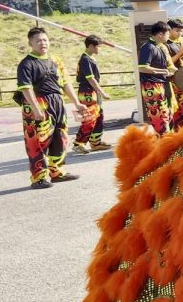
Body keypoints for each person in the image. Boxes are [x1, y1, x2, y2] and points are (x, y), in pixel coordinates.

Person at [14, 27, 88, 188]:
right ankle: (39, 177)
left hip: (57, 102)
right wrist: (35, 108)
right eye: (38, 40)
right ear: (31, 43)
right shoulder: (27, 64)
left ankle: (57, 172)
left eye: (45, 40)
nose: (43, 43)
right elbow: (26, 88)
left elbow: (66, 83)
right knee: (37, 141)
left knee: (60, 137)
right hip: (37, 103)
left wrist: (76, 102)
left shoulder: (56, 60)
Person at [74, 34, 113, 154]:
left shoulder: (89, 58)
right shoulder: (85, 59)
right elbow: (91, 79)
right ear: (91, 46)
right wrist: (102, 92)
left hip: (92, 92)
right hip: (87, 92)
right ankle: (78, 143)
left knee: (99, 116)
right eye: (97, 47)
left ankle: (95, 142)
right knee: (89, 118)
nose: (98, 49)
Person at [138, 21, 176, 136]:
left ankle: (165, 144)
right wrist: (163, 71)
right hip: (152, 87)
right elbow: (143, 67)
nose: (169, 36)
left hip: (162, 85)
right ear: (160, 34)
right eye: (167, 34)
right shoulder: (148, 47)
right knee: (160, 118)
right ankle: (164, 146)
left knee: (167, 115)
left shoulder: (159, 47)